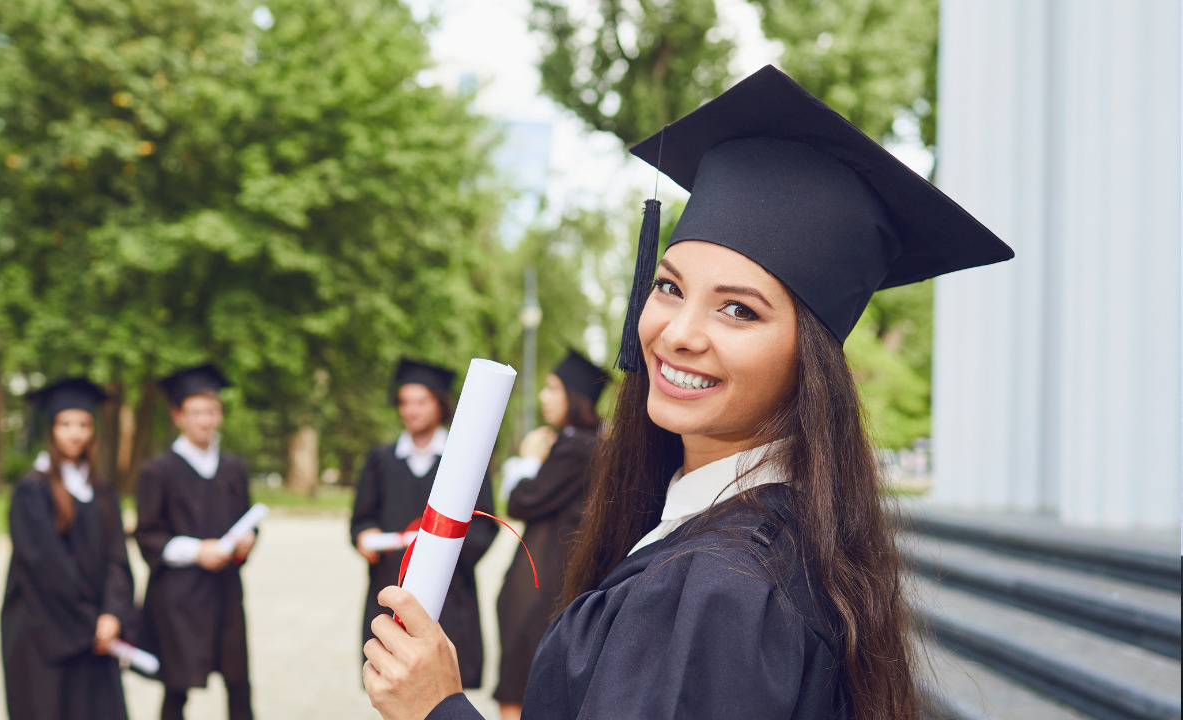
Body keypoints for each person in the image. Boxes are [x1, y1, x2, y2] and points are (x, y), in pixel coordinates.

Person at [361, 65, 1014, 720]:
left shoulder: (720, 591)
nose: (678, 333)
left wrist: (437, 708)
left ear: (809, 359)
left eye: (739, 311)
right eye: (669, 287)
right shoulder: (775, 537)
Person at [351, 358, 498, 689]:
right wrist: (364, 537)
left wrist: (441, 552)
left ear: (439, 404)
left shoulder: (465, 461)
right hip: (391, 583)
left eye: (420, 402)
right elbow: (361, 519)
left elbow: (485, 525)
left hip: (450, 592)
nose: (410, 410)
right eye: (404, 402)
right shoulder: (380, 460)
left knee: (444, 688)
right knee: (391, 682)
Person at [1, 377, 134, 720]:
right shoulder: (32, 491)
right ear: (51, 428)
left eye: (84, 424)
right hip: (45, 632)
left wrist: (113, 613)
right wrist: (93, 621)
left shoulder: (102, 491)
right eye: (65, 424)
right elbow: (47, 567)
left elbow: (119, 557)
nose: (75, 433)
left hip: (96, 631)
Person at [134, 364, 257, 720]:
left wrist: (248, 541)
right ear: (178, 416)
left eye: (211, 411)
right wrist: (197, 551)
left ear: (219, 415)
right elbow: (147, 534)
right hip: (179, 595)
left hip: (225, 591)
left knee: (238, 680)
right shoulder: (158, 471)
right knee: (178, 685)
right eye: (196, 412)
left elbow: (247, 519)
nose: (205, 420)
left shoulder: (233, 468)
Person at [494, 350, 606, 720]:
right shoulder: (588, 442)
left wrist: (528, 459)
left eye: (553, 387)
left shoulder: (578, 446)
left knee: (518, 680)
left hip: (542, 583)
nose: (543, 396)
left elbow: (522, 501)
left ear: (575, 397)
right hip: (551, 577)